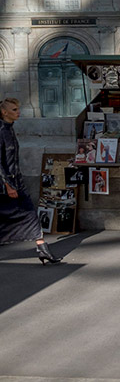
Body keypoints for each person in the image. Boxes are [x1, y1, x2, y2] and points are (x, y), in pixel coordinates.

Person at [0, 98, 62, 264]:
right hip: (6, 184)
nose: (17, 112)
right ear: (4, 112)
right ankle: (42, 248)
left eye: (17, 109)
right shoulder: (1, 131)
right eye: (14, 110)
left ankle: (42, 248)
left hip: (16, 181)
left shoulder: (10, 129)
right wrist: (7, 185)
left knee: (29, 213)